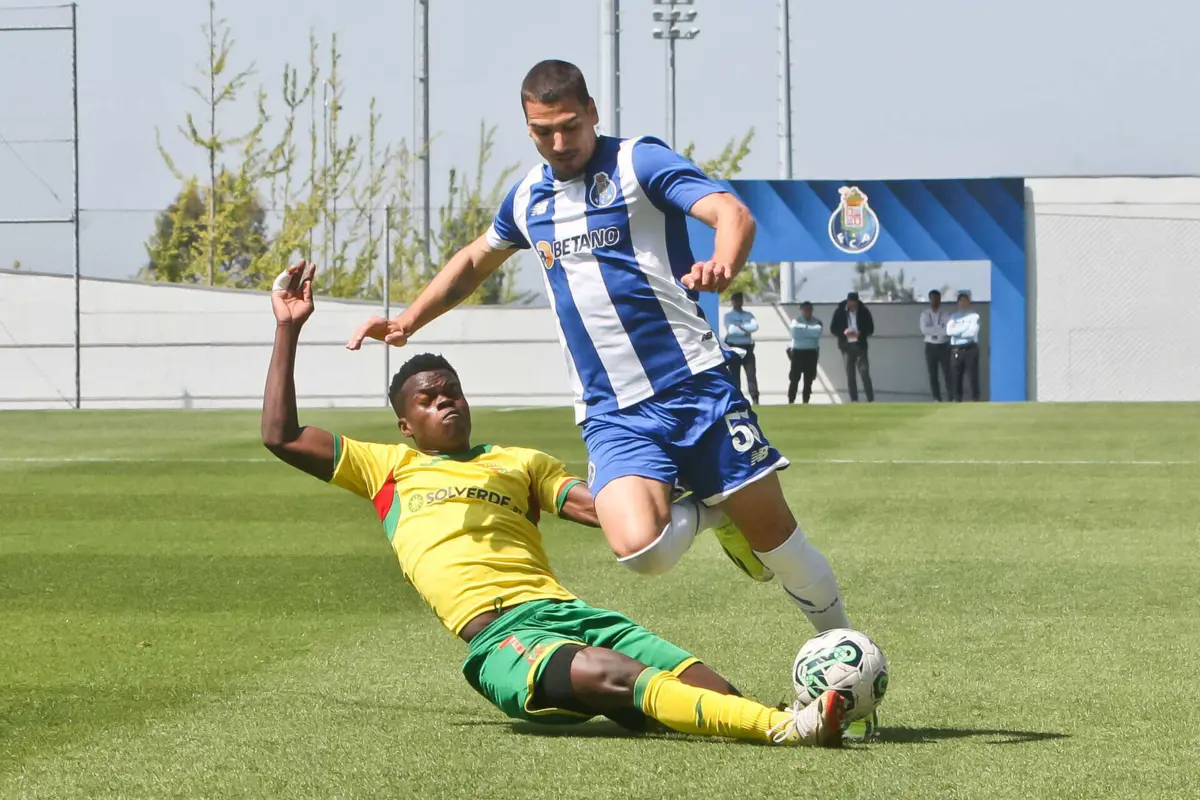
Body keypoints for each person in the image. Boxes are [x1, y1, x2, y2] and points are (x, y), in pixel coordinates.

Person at [345, 59, 853, 636]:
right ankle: (717, 511)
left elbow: (730, 213)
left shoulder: (639, 162)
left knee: (783, 549)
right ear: (528, 128)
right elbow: (472, 261)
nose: (559, 142)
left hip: (694, 386)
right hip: (612, 411)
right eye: (543, 131)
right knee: (643, 551)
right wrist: (409, 320)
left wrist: (724, 264)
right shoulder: (527, 200)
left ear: (592, 112)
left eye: (569, 126)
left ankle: (845, 645)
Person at [262, 262, 846, 747]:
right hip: (504, 639)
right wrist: (288, 328)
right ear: (406, 424)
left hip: (573, 614)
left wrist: (690, 485)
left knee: (712, 692)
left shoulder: (521, 462)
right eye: (429, 399)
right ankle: (786, 728)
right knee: (607, 673)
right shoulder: (387, 467)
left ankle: (798, 708)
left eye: (454, 392)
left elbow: (608, 512)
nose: (447, 403)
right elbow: (281, 435)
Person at [830, 292, 875, 403]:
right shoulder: (840, 311)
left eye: (855, 304)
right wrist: (843, 332)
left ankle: (870, 399)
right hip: (846, 347)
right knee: (850, 375)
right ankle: (854, 399)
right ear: (848, 302)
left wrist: (861, 333)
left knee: (864, 372)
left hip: (860, 346)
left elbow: (870, 328)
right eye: (851, 304)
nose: (853, 306)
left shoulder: (864, 311)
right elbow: (833, 328)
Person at [723, 292, 760, 404]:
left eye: (739, 300)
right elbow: (731, 331)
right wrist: (745, 329)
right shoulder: (728, 316)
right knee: (734, 375)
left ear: (742, 301)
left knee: (751, 374)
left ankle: (755, 398)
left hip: (747, 347)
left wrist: (740, 327)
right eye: (735, 301)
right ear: (732, 302)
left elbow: (754, 327)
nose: (737, 303)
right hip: (734, 347)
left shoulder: (748, 315)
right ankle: (737, 399)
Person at [947, 290, 982, 401]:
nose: (963, 303)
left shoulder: (974, 316)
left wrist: (957, 331)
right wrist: (964, 329)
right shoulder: (953, 317)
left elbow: (971, 333)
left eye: (965, 301)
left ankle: (975, 399)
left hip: (970, 349)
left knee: (972, 377)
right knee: (956, 377)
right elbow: (949, 331)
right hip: (956, 349)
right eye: (961, 301)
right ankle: (957, 400)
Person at [919, 289, 952, 402]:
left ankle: (951, 397)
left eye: (937, 299)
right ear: (930, 299)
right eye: (933, 299)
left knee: (948, 373)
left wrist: (933, 330)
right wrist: (939, 330)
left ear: (940, 299)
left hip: (943, 345)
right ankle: (936, 397)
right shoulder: (925, 314)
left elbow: (948, 330)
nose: (935, 301)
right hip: (930, 346)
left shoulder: (946, 314)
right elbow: (924, 330)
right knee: (933, 374)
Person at [787, 302, 822, 404]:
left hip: (811, 352)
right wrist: (810, 330)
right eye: (805, 309)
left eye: (809, 309)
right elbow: (795, 333)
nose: (807, 312)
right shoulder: (795, 321)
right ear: (801, 310)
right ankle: (791, 400)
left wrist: (803, 330)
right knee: (794, 378)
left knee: (808, 379)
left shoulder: (817, 321)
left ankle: (806, 401)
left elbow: (817, 333)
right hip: (798, 352)